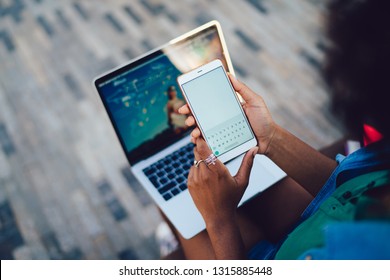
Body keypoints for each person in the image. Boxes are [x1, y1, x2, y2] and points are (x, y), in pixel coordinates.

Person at [172, 0, 390, 259]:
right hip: (312, 224)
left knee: (177, 213)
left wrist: (220, 221)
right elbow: (350, 186)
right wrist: (270, 136)